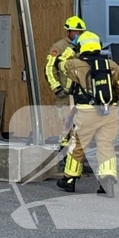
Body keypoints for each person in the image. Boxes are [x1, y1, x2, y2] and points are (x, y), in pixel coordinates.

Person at [57, 32, 119, 197]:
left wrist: (69, 51)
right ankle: (107, 180)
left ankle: (69, 180)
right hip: (110, 111)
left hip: (86, 112)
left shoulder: (75, 65)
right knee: (106, 145)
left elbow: (60, 64)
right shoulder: (112, 65)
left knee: (77, 145)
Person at [45, 16, 86, 146]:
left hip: (81, 94)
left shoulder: (84, 46)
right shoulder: (59, 47)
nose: (78, 35)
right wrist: (57, 88)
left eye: (80, 32)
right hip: (66, 95)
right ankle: (64, 157)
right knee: (65, 127)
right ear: (68, 31)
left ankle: (76, 158)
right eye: (75, 31)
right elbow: (49, 68)